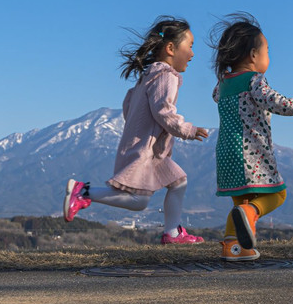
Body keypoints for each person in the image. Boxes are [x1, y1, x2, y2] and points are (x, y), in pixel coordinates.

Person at [63, 16, 209, 244]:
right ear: (171, 48)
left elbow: (128, 106)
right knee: (139, 201)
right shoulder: (166, 76)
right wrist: (188, 130)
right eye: (190, 46)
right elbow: (164, 112)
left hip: (149, 149)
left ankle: (172, 233)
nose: (192, 54)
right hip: (146, 151)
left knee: (178, 182)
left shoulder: (148, 76)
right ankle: (83, 192)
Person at [210, 13, 293, 261]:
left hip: (226, 154)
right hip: (252, 154)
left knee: (239, 203)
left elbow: (216, 97)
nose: (269, 55)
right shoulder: (254, 80)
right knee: (277, 194)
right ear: (253, 56)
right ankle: (251, 213)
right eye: (267, 50)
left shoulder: (223, 83)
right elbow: (273, 100)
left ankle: (235, 249)